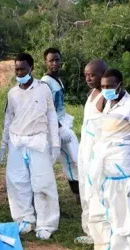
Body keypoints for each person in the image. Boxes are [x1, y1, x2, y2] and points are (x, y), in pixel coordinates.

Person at [86, 69, 130, 250]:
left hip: (122, 166)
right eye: (103, 87)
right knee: (104, 208)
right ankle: (104, 247)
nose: (106, 90)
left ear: (121, 84)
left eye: (110, 87)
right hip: (105, 164)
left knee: (124, 213)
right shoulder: (107, 103)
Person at [0, 52, 59, 240]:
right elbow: (9, 118)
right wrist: (4, 144)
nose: (19, 72)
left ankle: (46, 223)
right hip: (17, 141)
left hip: (38, 141)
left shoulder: (43, 89)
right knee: (17, 182)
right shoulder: (13, 93)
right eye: (16, 69)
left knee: (42, 183)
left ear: (31, 68)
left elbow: (51, 115)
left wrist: (55, 144)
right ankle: (24, 219)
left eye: (22, 69)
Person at [75, 59, 108, 245]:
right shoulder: (92, 93)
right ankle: (89, 230)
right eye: (86, 74)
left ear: (103, 74)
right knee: (85, 189)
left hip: (97, 151)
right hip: (85, 149)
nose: (88, 78)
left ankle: (101, 233)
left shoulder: (106, 97)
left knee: (97, 190)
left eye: (92, 74)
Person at [41, 48, 81, 200]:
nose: (55, 63)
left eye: (57, 59)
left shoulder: (57, 78)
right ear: (46, 62)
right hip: (54, 127)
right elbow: (46, 109)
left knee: (72, 159)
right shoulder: (45, 82)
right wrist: (59, 129)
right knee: (53, 161)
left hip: (62, 122)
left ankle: (78, 195)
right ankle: (44, 197)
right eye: (51, 60)